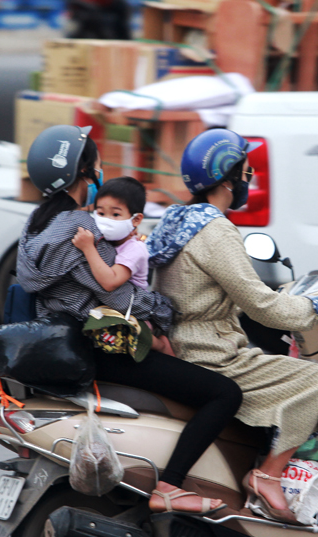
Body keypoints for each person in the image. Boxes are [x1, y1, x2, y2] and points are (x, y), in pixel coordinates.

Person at [18, 125, 242, 515]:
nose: (100, 175)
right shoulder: (80, 225)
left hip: (63, 340)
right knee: (224, 394)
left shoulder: (35, 225)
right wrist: (161, 311)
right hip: (104, 345)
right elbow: (118, 295)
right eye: (97, 167)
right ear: (81, 173)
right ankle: (170, 487)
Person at [146, 129, 318, 523]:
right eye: (246, 172)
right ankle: (267, 476)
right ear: (226, 179)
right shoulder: (216, 230)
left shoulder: (176, 219)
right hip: (212, 352)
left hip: (180, 343)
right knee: (317, 381)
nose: (250, 180)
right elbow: (262, 307)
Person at [71, 176, 174, 356]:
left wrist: (87, 248)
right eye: (101, 213)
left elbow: (111, 282)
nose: (106, 220)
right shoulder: (106, 241)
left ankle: (161, 346)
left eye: (116, 214)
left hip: (134, 316)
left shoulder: (135, 249)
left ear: (135, 220)